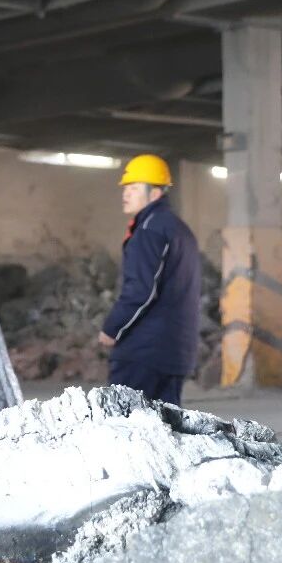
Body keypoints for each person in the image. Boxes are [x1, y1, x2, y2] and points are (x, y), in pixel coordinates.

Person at [97, 154, 201, 405]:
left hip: (143, 353)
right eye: (125, 188)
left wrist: (112, 329)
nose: (126, 193)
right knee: (165, 424)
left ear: (154, 193)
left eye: (133, 188)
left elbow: (141, 291)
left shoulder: (149, 230)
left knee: (125, 422)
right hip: (175, 350)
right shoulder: (179, 229)